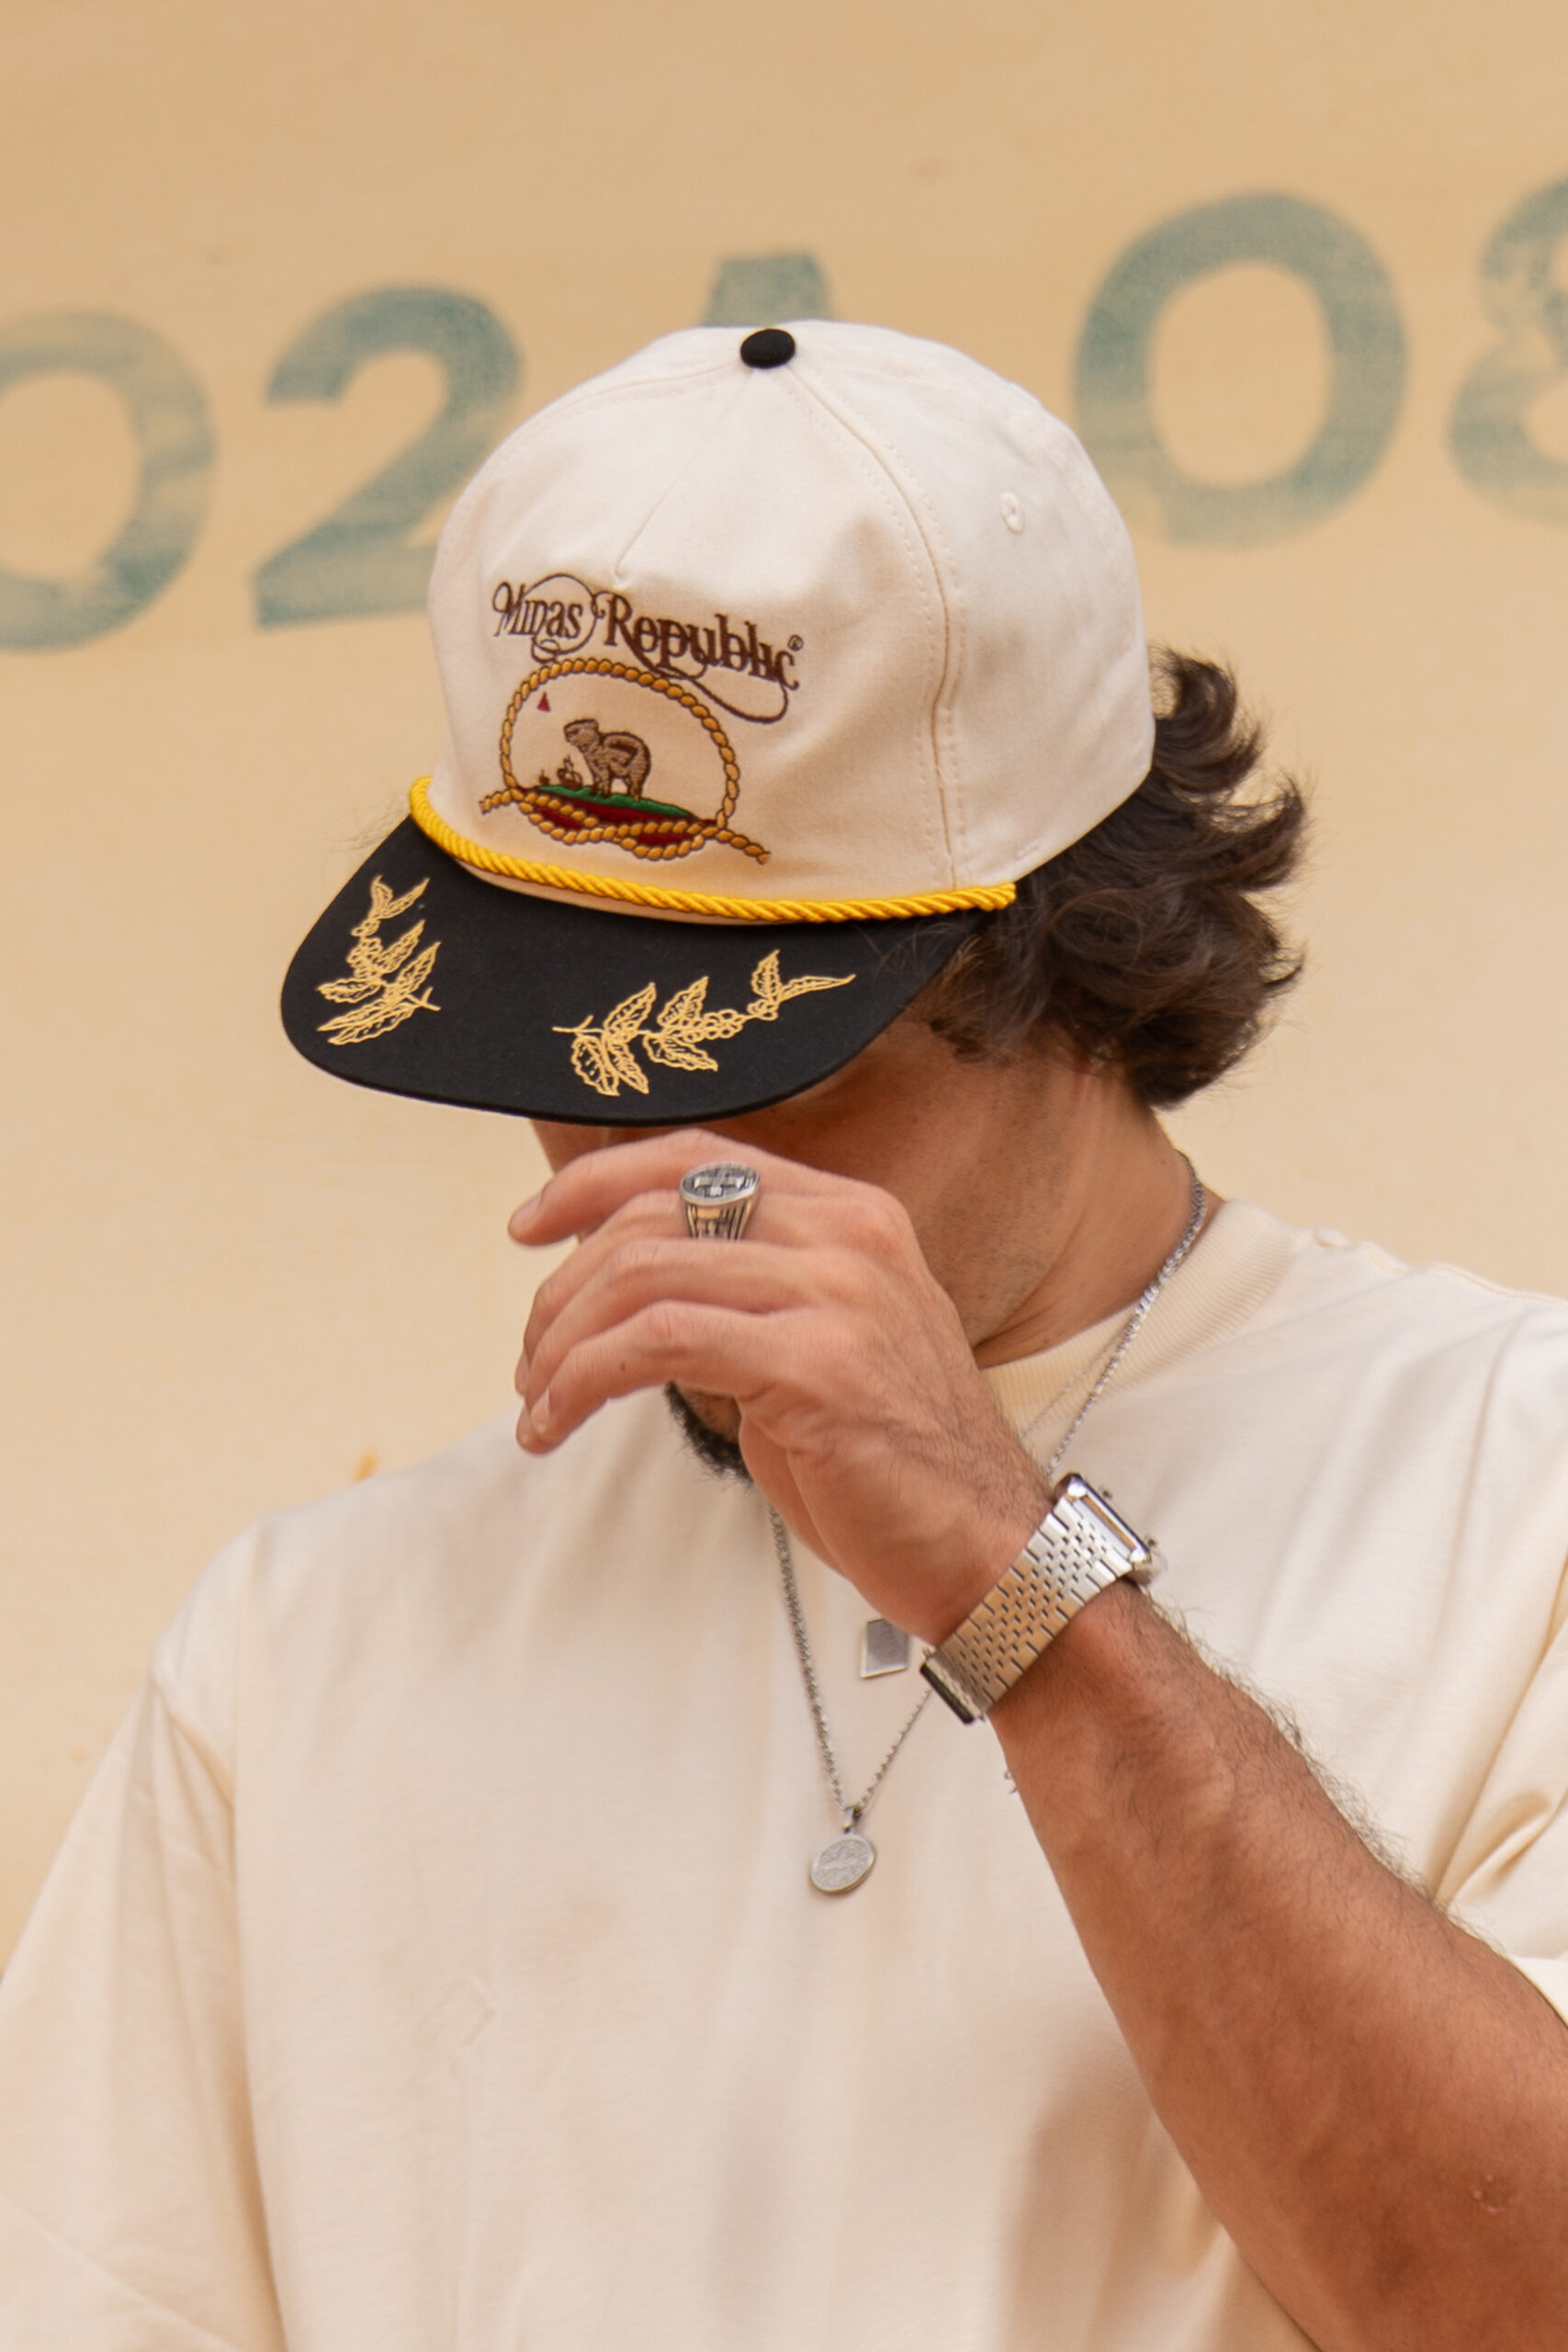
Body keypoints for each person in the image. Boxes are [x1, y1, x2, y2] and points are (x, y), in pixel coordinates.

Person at [2, 319, 1566, 2352]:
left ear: (1072, 967)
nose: (636, 1161)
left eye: (751, 1059)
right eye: (549, 1043)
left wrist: (1018, 1580)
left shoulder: (1513, 1481)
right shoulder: (298, 1645)